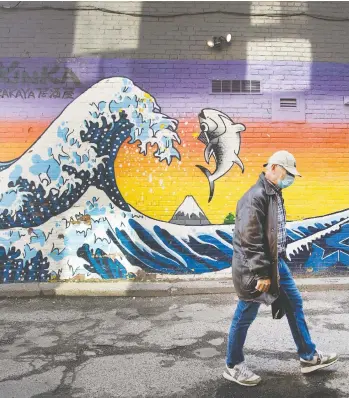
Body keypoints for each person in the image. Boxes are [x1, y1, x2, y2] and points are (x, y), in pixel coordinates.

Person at [223, 150, 338, 387]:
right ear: (274, 168)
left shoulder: (274, 193)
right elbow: (250, 239)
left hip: (276, 264)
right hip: (255, 268)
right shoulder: (255, 197)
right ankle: (233, 365)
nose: (291, 180)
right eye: (288, 174)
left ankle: (308, 356)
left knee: (294, 303)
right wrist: (261, 273)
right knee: (246, 312)